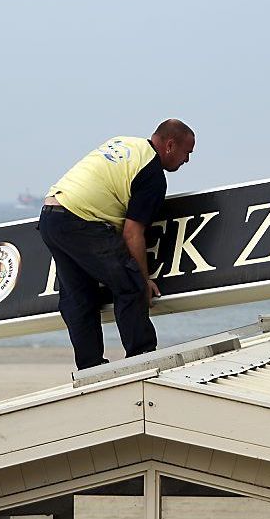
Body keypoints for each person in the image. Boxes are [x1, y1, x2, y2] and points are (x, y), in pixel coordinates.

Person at [38, 119, 195, 370]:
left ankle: (90, 368)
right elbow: (133, 234)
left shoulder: (124, 142)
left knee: (79, 299)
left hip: (50, 215)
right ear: (170, 145)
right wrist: (143, 280)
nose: (187, 160)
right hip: (82, 220)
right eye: (187, 152)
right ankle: (142, 357)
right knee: (131, 285)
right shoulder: (152, 174)